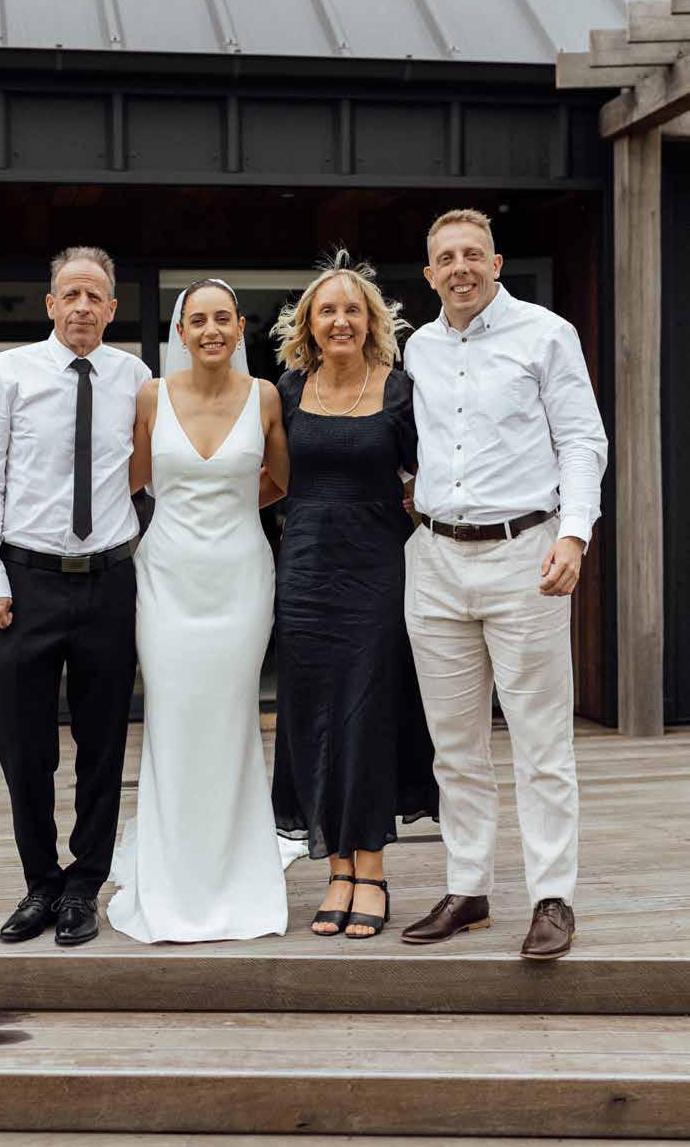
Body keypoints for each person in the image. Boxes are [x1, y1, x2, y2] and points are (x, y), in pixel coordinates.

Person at [400, 208, 608, 960]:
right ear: (430, 273)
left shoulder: (546, 334)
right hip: (434, 560)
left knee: (541, 741)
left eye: (473, 254)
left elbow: (582, 440)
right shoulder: (417, 348)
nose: (460, 267)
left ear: (495, 263)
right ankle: (469, 888)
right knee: (454, 745)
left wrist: (574, 534)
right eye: (446, 257)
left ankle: (553, 896)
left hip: (526, 555)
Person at [0, 246, 151, 946]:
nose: (81, 306)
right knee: (24, 746)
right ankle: (40, 882)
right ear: (50, 305)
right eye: (70, 294)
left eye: (94, 296)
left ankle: (83, 886)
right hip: (27, 584)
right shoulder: (9, 372)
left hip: (110, 582)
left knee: (103, 746)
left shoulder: (137, 379)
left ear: (112, 308)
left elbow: (156, 475)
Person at [107, 279, 290, 943]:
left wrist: (231, 505)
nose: (211, 330)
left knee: (232, 718)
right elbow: (129, 481)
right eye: (198, 320)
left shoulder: (265, 397)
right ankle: (172, 873)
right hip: (167, 580)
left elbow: (282, 480)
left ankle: (237, 871)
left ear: (239, 327)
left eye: (222, 319)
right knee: (174, 717)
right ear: (180, 332)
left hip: (240, 579)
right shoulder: (151, 396)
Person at [267, 249, 438, 940]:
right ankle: (335, 868)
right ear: (308, 323)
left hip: (375, 570)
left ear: (373, 322)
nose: (341, 320)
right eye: (328, 310)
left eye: (353, 310)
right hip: (304, 573)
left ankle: (372, 869)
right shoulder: (286, 389)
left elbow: (434, 474)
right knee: (312, 714)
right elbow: (270, 479)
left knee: (367, 713)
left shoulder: (400, 390)